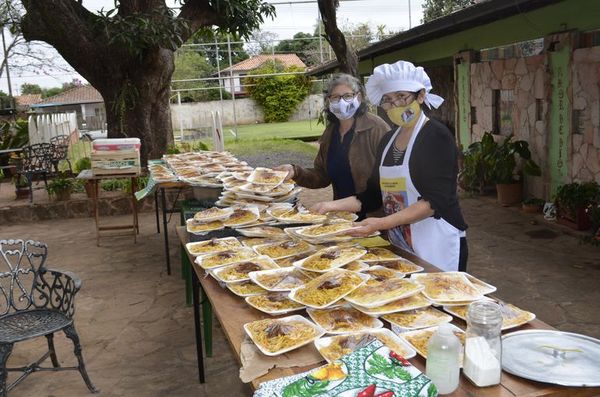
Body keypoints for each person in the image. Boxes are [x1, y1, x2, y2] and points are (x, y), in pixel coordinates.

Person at [312, 61, 468, 271]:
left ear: (420, 96)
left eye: (401, 97)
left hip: (436, 243)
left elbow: (434, 202)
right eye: (388, 100)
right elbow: (373, 195)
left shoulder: (436, 136)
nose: (395, 106)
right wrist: (329, 206)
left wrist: (382, 224)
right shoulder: (388, 141)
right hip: (402, 242)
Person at [276, 73, 389, 213]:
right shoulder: (330, 132)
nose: (341, 102)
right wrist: (295, 172)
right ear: (329, 101)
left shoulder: (376, 128)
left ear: (358, 97)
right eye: (335, 97)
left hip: (375, 216)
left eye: (347, 96)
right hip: (343, 216)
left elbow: (389, 180)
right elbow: (322, 176)